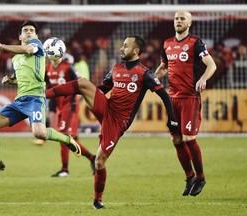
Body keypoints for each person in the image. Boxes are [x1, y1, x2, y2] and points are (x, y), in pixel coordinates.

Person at [45, 35, 179, 209]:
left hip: (118, 121)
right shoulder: (116, 68)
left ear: (136, 50)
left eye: (125, 46)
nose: (121, 49)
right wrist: (87, 93)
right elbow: (102, 88)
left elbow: (164, 95)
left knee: (99, 161)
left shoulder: (144, 73)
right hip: (106, 107)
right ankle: (43, 94)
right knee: (84, 83)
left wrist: (172, 120)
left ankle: (97, 200)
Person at [0, 20, 81, 180]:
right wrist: (11, 80)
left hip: (35, 98)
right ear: (20, 35)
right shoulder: (15, 59)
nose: (28, 32)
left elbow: (28, 49)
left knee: (39, 133)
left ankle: (66, 138)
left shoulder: (36, 45)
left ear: (35, 35)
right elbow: (20, 79)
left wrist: (2, 47)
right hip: (20, 100)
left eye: (32, 30)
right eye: (25, 30)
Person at [154, 11, 217, 196]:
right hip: (172, 98)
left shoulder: (195, 43)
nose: (179, 21)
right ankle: (189, 176)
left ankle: (200, 177)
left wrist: (203, 79)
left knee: (189, 138)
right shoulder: (166, 44)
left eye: (182, 18)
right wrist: (150, 80)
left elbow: (211, 64)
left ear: (189, 22)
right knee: (176, 139)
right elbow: (164, 68)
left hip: (190, 97)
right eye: (176, 18)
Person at [35, 49, 96, 177]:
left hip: (71, 105)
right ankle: (92, 159)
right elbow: (51, 90)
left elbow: (81, 84)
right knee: (71, 139)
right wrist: (50, 113)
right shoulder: (47, 68)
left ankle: (65, 169)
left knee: (63, 137)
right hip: (61, 107)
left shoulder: (68, 68)